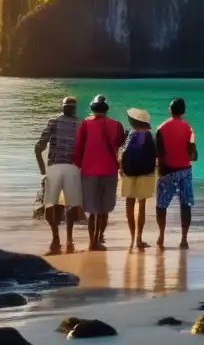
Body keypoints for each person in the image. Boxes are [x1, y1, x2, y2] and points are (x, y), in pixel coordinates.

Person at [73, 94, 125, 251]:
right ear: (107, 109)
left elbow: (78, 147)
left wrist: (78, 165)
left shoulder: (85, 124)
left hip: (89, 171)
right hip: (109, 169)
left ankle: (92, 242)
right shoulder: (116, 124)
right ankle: (100, 237)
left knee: (93, 210)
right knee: (104, 208)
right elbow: (119, 143)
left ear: (92, 108)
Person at [35, 95, 82, 255]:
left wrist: (42, 170)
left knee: (50, 204)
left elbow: (38, 147)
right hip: (72, 168)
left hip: (54, 167)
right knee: (69, 204)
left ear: (62, 107)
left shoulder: (53, 122)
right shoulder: (80, 124)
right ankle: (68, 240)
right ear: (74, 108)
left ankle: (56, 238)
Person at [155, 97, 198, 250]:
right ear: (184, 112)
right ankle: (184, 239)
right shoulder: (189, 128)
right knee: (185, 204)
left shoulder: (161, 128)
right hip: (185, 170)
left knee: (161, 205)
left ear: (170, 110)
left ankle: (161, 236)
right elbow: (193, 155)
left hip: (166, 171)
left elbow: (159, 153)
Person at [119, 108, 156, 252]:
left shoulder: (129, 134)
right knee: (141, 205)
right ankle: (139, 239)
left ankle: (132, 238)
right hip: (145, 173)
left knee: (129, 203)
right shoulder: (149, 136)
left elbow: (123, 153)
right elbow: (155, 155)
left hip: (129, 172)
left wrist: (121, 169)